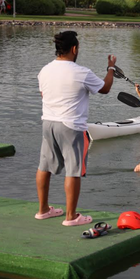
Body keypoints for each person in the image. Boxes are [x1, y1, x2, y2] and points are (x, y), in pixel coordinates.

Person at [36, 31, 116, 226]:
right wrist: (111, 68)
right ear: (74, 49)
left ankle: (43, 210)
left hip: (48, 123)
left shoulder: (44, 70)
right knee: (73, 170)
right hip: (71, 126)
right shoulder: (81, 72)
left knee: (44, 166)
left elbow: (43, 95)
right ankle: (71, 216)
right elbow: (105, 88)